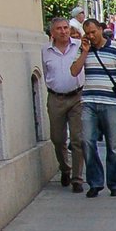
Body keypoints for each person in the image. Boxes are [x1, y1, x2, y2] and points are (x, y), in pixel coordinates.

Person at [78, 18, 116, 198]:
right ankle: (95, 182)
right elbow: (74, 71)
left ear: (101, 30)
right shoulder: (84, 50)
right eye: (87, 33)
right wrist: (84, 52)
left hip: (110, 102)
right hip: (88, 100)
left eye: (93, 32)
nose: (91, 36)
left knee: (114, 145)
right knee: (87, 141)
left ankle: (115, 183)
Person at [41, 17, 87, 192]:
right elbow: (46, 73)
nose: (63, 31)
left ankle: (77, 178)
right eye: (59, 29)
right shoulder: (45, 50)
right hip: (56, 98)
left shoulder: (79, 46)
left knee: (78, 138)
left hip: (77, 97)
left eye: (66, 27)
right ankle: (65, 168)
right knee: (58, 138)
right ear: (52, 33)